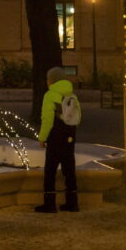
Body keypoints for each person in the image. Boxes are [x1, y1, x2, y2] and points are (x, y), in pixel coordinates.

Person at [35, 67, 80, 213]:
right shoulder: (72, 95)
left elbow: (47, 119)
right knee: (69, 170)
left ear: (51, 80)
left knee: (50, 171)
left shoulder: (50, 95)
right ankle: (72, 203)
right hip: (69, 136)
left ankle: (49, 204)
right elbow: (78, 118)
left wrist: (42, 138)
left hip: (55, 136)